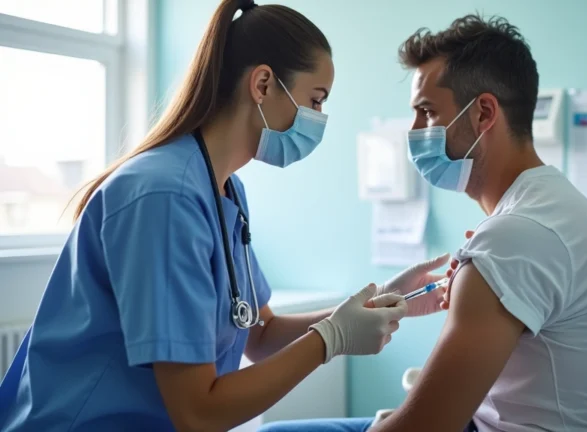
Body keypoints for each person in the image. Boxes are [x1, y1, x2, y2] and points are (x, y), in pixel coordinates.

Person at [0, 1, 454, 430]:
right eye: (315, 100)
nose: (319, 117)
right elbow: (198, 412)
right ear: (262, 84)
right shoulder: (164, 195)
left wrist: (375, 304)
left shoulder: (223, 189)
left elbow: (260, 333)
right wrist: (331, 340)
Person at [261, 14, 587, 432]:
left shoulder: (517, 236)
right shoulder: (548, 206)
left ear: (484, 113)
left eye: (426, 112)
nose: (415, 130)